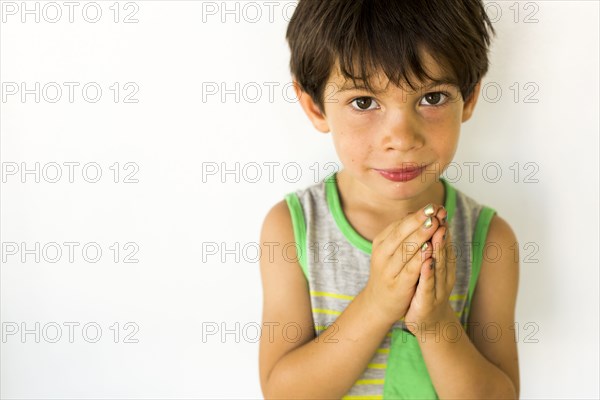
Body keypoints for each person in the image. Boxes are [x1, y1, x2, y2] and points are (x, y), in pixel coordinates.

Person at [258, 1, 520, 398]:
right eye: (364, 102)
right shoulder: (291, 229)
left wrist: (435, 323)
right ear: (315, 106)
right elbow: (283, 392)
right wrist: (377, 304)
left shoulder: (490, 240)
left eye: (432, 98)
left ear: (468, 99)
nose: (400, 138)